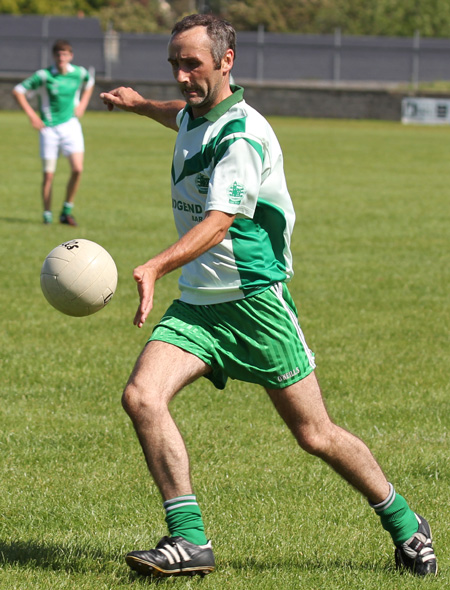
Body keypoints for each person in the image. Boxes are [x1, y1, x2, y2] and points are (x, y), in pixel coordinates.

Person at [100, 14, 437, 579]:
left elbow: (219, 222)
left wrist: (155, 265)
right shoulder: (195, 113)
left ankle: (407, 523)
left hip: (256, 303)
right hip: (201, 304)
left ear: (226, 61)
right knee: (142, 397)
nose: (182, 76)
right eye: (174, 64)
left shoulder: (244, 136)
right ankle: (190, 541)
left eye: (193, 64)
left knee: (315, 434)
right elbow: (179, 119)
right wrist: (138, 105)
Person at [13, 39, 94, 226]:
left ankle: (67, 209)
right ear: (54, 57)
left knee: (77, 169)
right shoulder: (44, 75)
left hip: (71, 126)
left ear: (71, 56)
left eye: (65, 55)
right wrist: (32, 116)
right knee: (49, 174)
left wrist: (82, 104)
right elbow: (18, 91)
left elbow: (90, 83)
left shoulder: (79, 73)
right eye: (58, 55)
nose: (61, 58)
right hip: (48, 129)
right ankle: (47, 214)